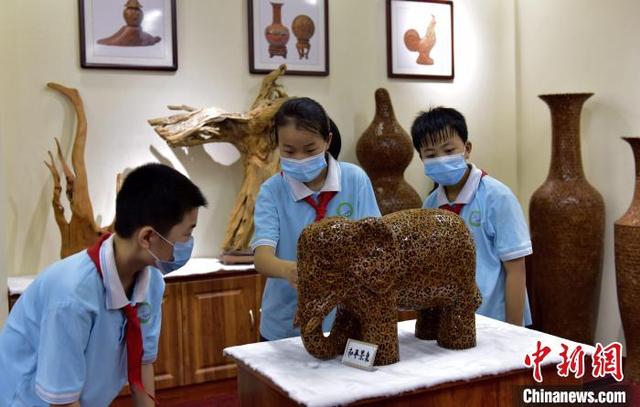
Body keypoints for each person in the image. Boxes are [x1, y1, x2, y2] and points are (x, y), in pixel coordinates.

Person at [0, 163, 207, 406]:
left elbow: (142, 363)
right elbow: (62, 400)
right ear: (148, 237)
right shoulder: (72, 296)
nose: (189, 243)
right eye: (187, 233)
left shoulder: (151, 283)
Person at [251, 97, 381, 341]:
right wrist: (290, 271)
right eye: (289, 151)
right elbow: (262, 258)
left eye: (310, 149)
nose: (299, 158)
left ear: (328, 141)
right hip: (286, 325)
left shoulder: (354, 179)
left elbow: (375, 242)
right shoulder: (272, 191)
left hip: (346, 319)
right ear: (278, 145)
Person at [411, 107, 532, 326]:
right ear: (421, 159)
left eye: (448, 150)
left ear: (467, 149)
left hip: (494, 320)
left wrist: (513, 331)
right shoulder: (430, 204)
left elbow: (516, 269)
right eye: (430, 155)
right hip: (449, 323)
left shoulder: (497, 196)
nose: (441, 159)